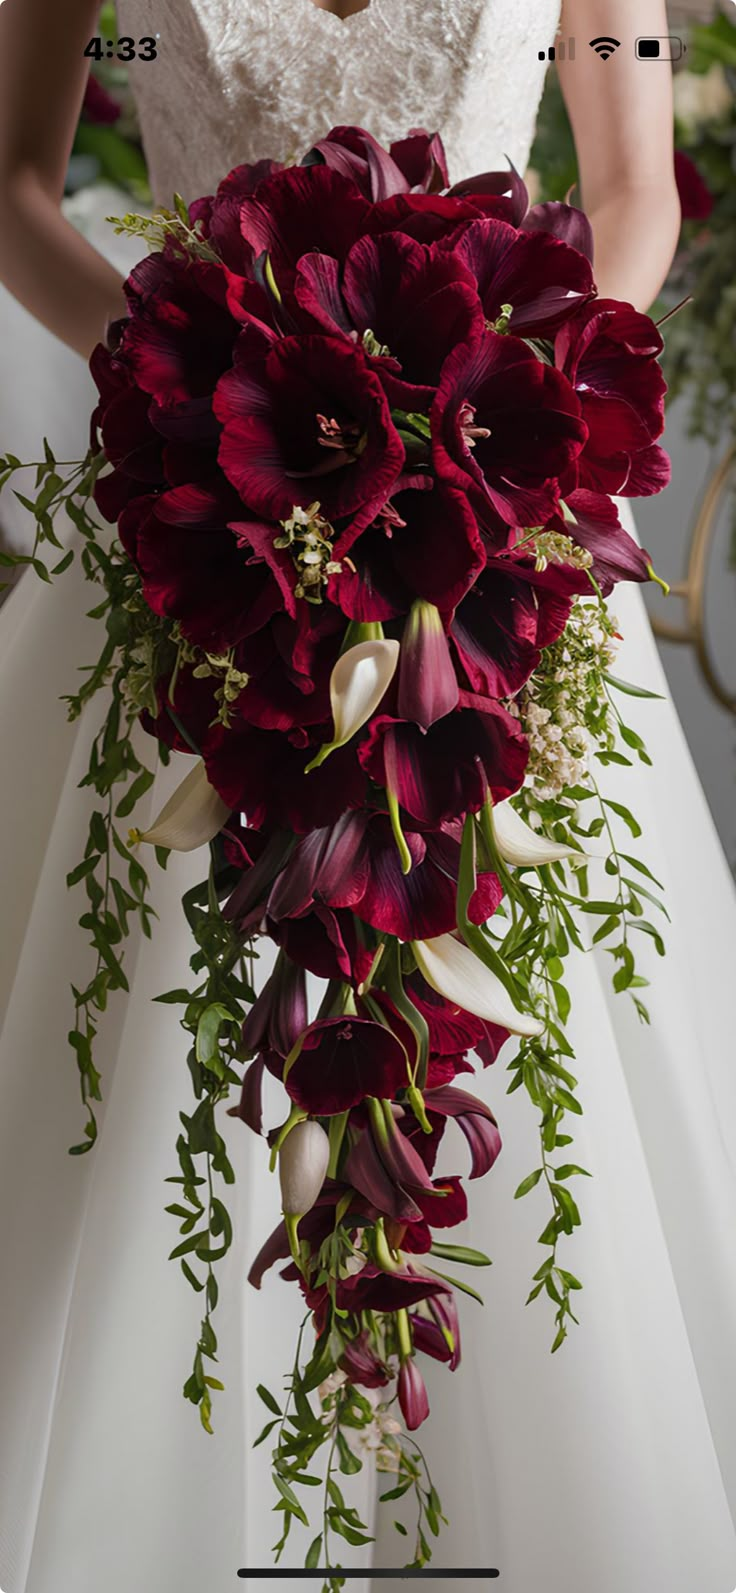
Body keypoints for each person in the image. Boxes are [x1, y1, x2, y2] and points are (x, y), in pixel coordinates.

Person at [1, 3, 735, 1591]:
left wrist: (488, 430)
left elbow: (633, 191)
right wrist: (190, 379)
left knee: (539, 1076)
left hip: (488, 527)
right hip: (207, 522)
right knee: (154, 1042)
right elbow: (14, 187)